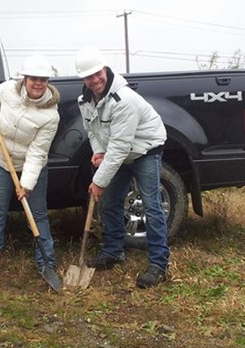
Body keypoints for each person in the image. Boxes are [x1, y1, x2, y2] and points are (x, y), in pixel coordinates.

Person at [74, 47, 170, 289]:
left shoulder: (123, 100)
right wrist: (97, 151)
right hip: (119, 152)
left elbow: (118, 149)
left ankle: (159, 264)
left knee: (152, 205)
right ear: (83, 79)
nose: (95, 80)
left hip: (145, 149)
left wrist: (98, 182)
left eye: (98, 73)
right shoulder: (84, 100)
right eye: (89, 76)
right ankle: (113, 252)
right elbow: (92, 131)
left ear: (105, 70)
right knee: (110, 202)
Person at [0, 55, 61, 279]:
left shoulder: (51, 115)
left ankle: (46, 262)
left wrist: (27, 184)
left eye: (43, 79)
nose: (38, 83)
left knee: (38, 214)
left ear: (48, 82)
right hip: (0, 161)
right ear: (25, 79)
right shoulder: (10, 90)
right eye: (34, 78)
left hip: (31, 165)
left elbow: (37, 152)